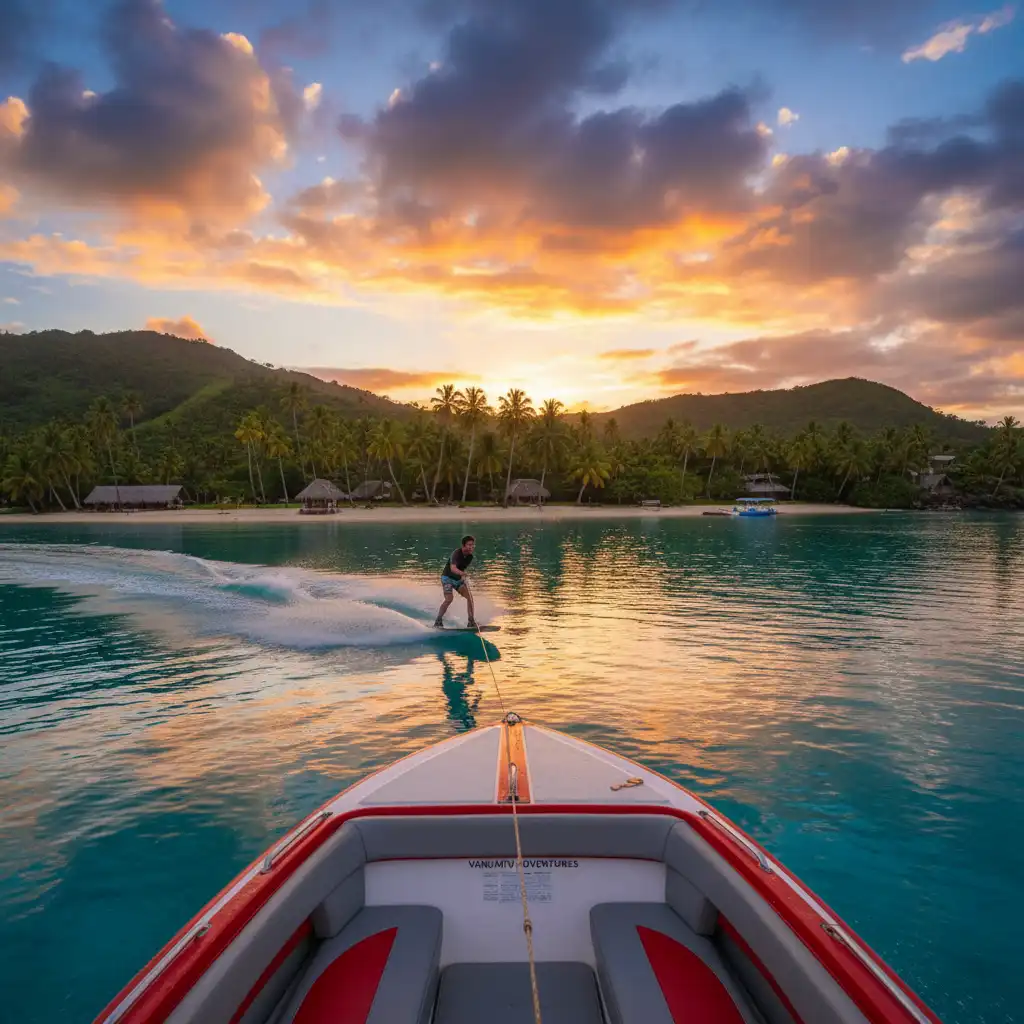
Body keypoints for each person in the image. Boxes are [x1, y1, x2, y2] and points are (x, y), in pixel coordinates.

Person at [435, 535, 477, 628]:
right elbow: (453, 568)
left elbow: (461, 568)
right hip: (447, 579)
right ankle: (438, 620)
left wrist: (462, 578)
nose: (471, 547)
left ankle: (471, 621)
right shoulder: (456, 553)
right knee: (449, 599)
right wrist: (463, 574)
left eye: (472, 545)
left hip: (457, 580)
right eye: (469, 545)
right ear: (463, 545)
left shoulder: (470, 556)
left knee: (470, 598)